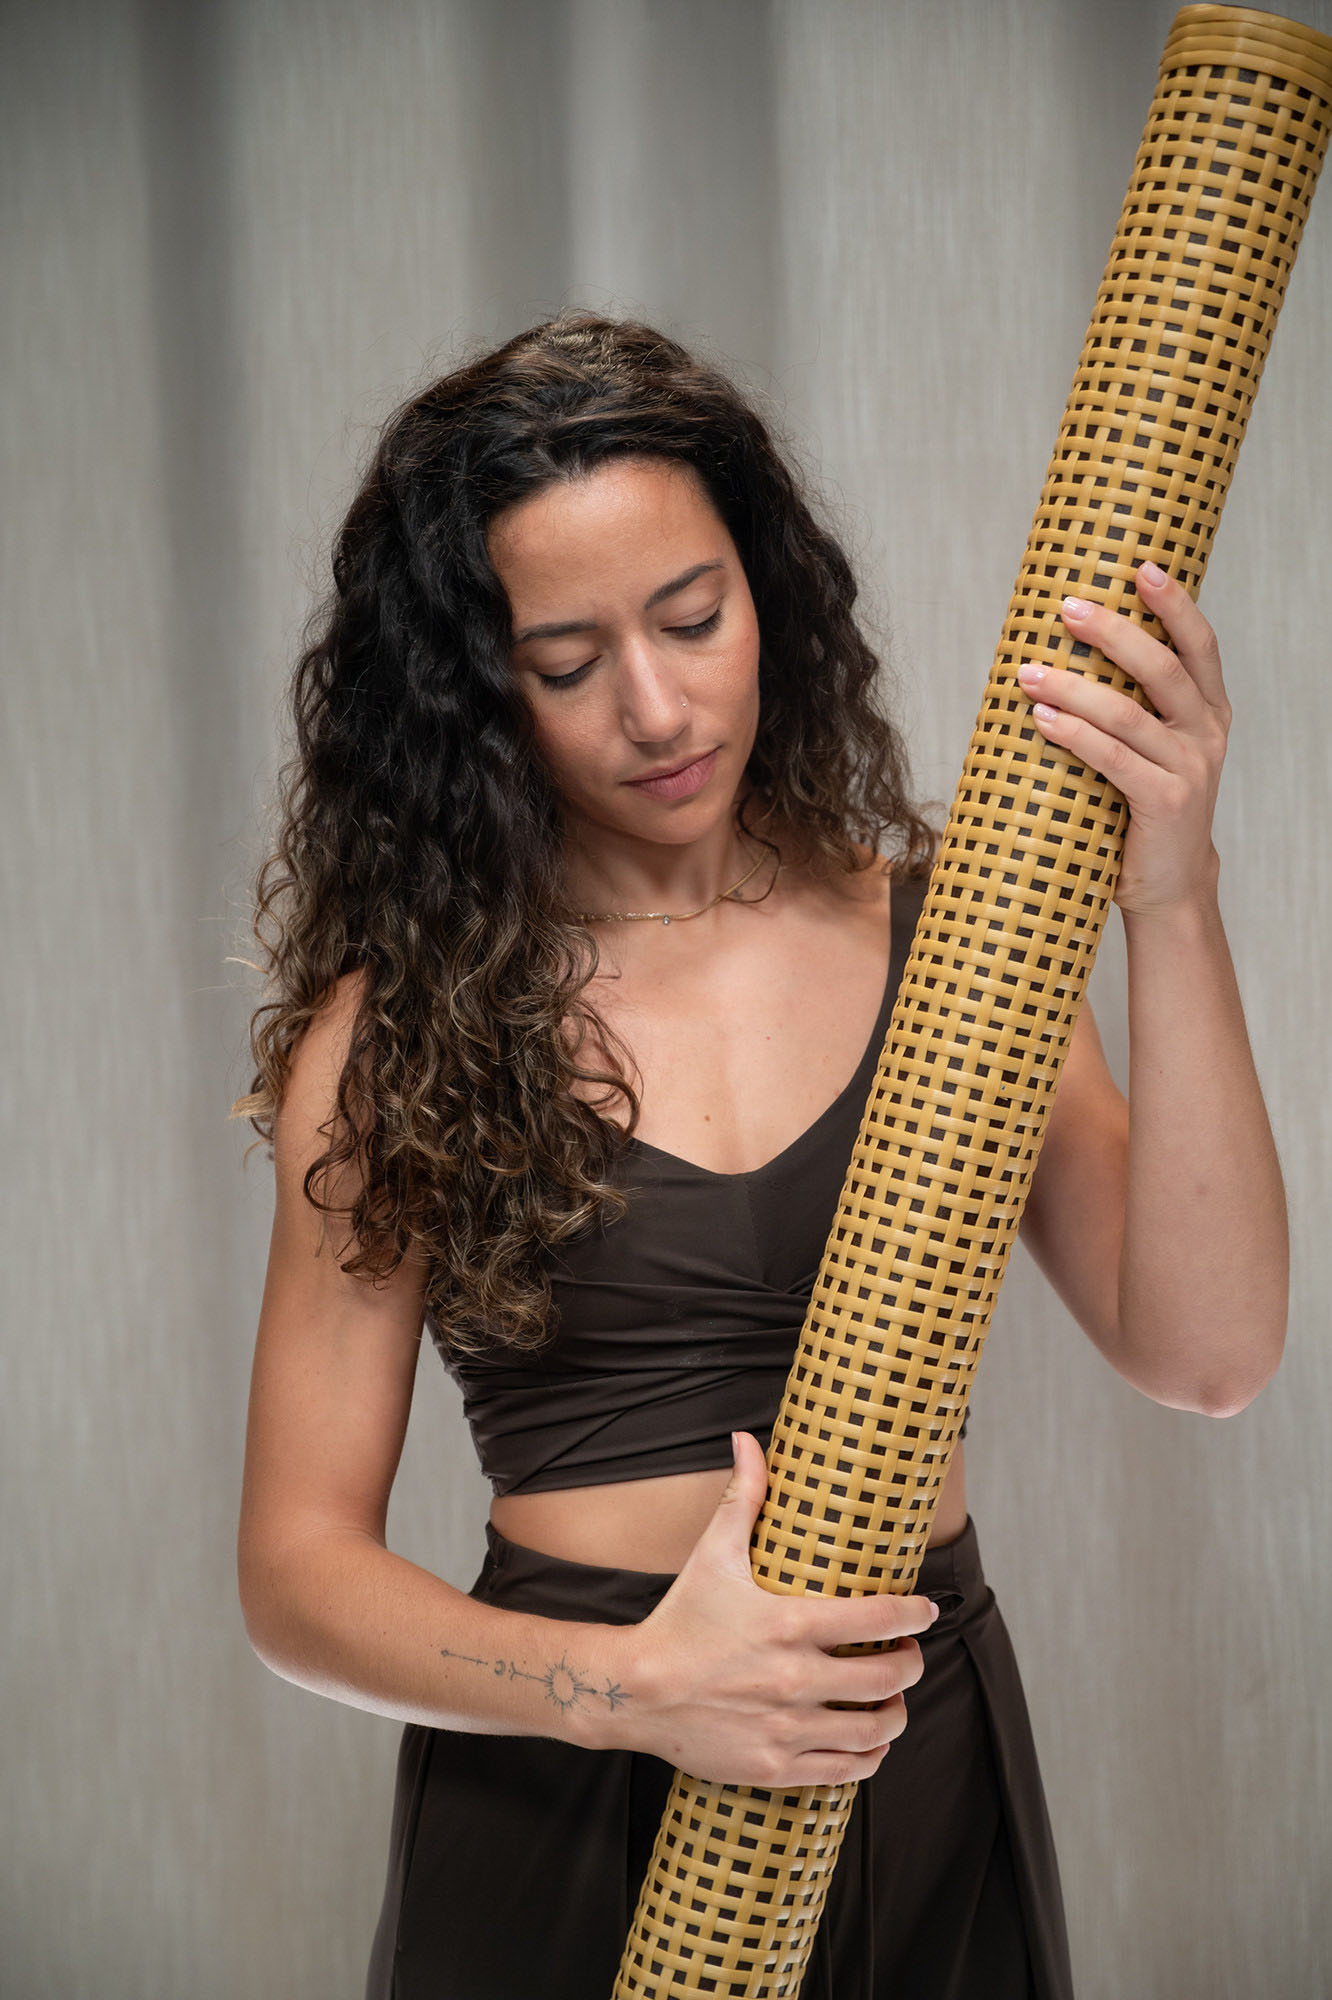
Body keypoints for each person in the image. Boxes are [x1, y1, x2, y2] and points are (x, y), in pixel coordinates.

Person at [234, 311, 1287, 2000]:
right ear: (474, 691)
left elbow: (1211, 1355)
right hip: (569, 1776)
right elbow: (296, 1578)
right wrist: (645, 1692)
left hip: (913, 1752)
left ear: (767, 597)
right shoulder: (401, 1034)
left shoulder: (955, 946)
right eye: (565, 663)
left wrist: (1171, 893)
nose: (656, 708)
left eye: (692, 618)